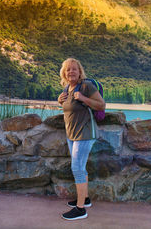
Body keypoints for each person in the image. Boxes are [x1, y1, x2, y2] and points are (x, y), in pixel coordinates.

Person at [57, 58, 105, 220]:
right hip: (72, 135)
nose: (71, 72)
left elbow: (101, 105)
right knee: (81, 168)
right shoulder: (68, 88)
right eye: (68, 69)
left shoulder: (86, 86)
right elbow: (71, 108)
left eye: (74, 69)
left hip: (85, 134)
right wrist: (60, 100)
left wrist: (83, 98)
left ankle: (80, 209)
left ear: (79, 71)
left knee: (77, 168)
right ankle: (84, 199)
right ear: (64, 73)